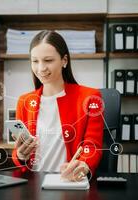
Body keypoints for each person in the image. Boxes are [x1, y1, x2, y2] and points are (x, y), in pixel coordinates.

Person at [11, 30, 104, 181]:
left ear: (64, 60)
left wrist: (83, 165)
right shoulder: (24, 101)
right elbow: (18, 154)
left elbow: (92, 146)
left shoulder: (90, 98)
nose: (41, 68)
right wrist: (20, 155)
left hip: (68, 182)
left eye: (48, 60)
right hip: (33, 184)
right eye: (35, 61)